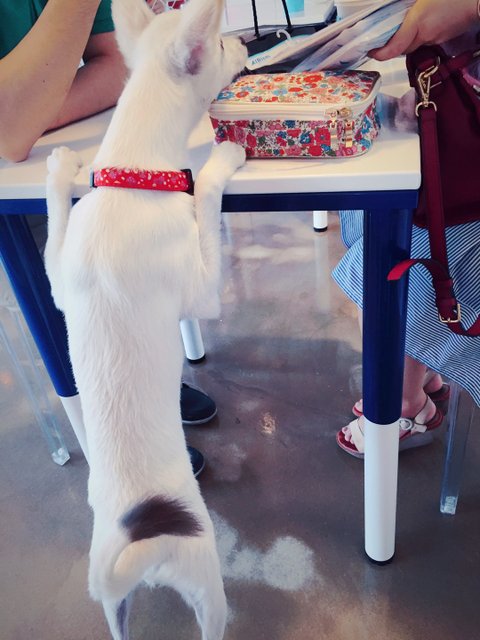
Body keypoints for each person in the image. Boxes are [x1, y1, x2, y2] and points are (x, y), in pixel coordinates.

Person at [0, 0, 216, 474]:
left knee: (126, 244)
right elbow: (11, 129)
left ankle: (146, 393)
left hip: (49, 153)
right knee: (76, 284)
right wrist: (23, 114)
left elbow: (119, 65)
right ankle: (114, 438)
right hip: (16, 186)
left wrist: (36, 109)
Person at [333, 0, 480, 457]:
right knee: (398, 221)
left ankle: (403, 402)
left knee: (400, 266)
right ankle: (422, 374)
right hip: (458, 111)